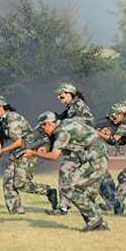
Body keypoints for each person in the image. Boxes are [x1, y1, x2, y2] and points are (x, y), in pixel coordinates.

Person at [22, 112, 110, 231]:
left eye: (43, 128)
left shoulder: (61, 130)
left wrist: (33, 153)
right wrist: (47, 151)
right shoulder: (64, 125)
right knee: (85, 195)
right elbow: (68, 151)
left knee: (68, 189)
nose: (44, 132)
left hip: (95, 160)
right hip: (97, 159)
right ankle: (101, 226)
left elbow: (54, 157)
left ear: (48, 124)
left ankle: (94, 219)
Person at [50, 83, 120, 216]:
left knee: (100, 178)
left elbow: (74, 126)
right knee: (65, 169)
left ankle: (116, 205)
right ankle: (63, 207)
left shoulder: (77, 106)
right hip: (80, 147)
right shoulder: (71, 107)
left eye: (61, 94)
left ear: (69, 94)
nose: (59, 97)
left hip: (89, 147)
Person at [0, 96, 58, 214]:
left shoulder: (12, 119)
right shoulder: (3, 120)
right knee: (8, 182)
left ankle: (48, 191)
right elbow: (5, 136)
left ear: (1, 107)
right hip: (16, 150)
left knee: (21, 184)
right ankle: (16, 211)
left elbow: (18, 142)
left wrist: (2, 151)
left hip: (27, 149)